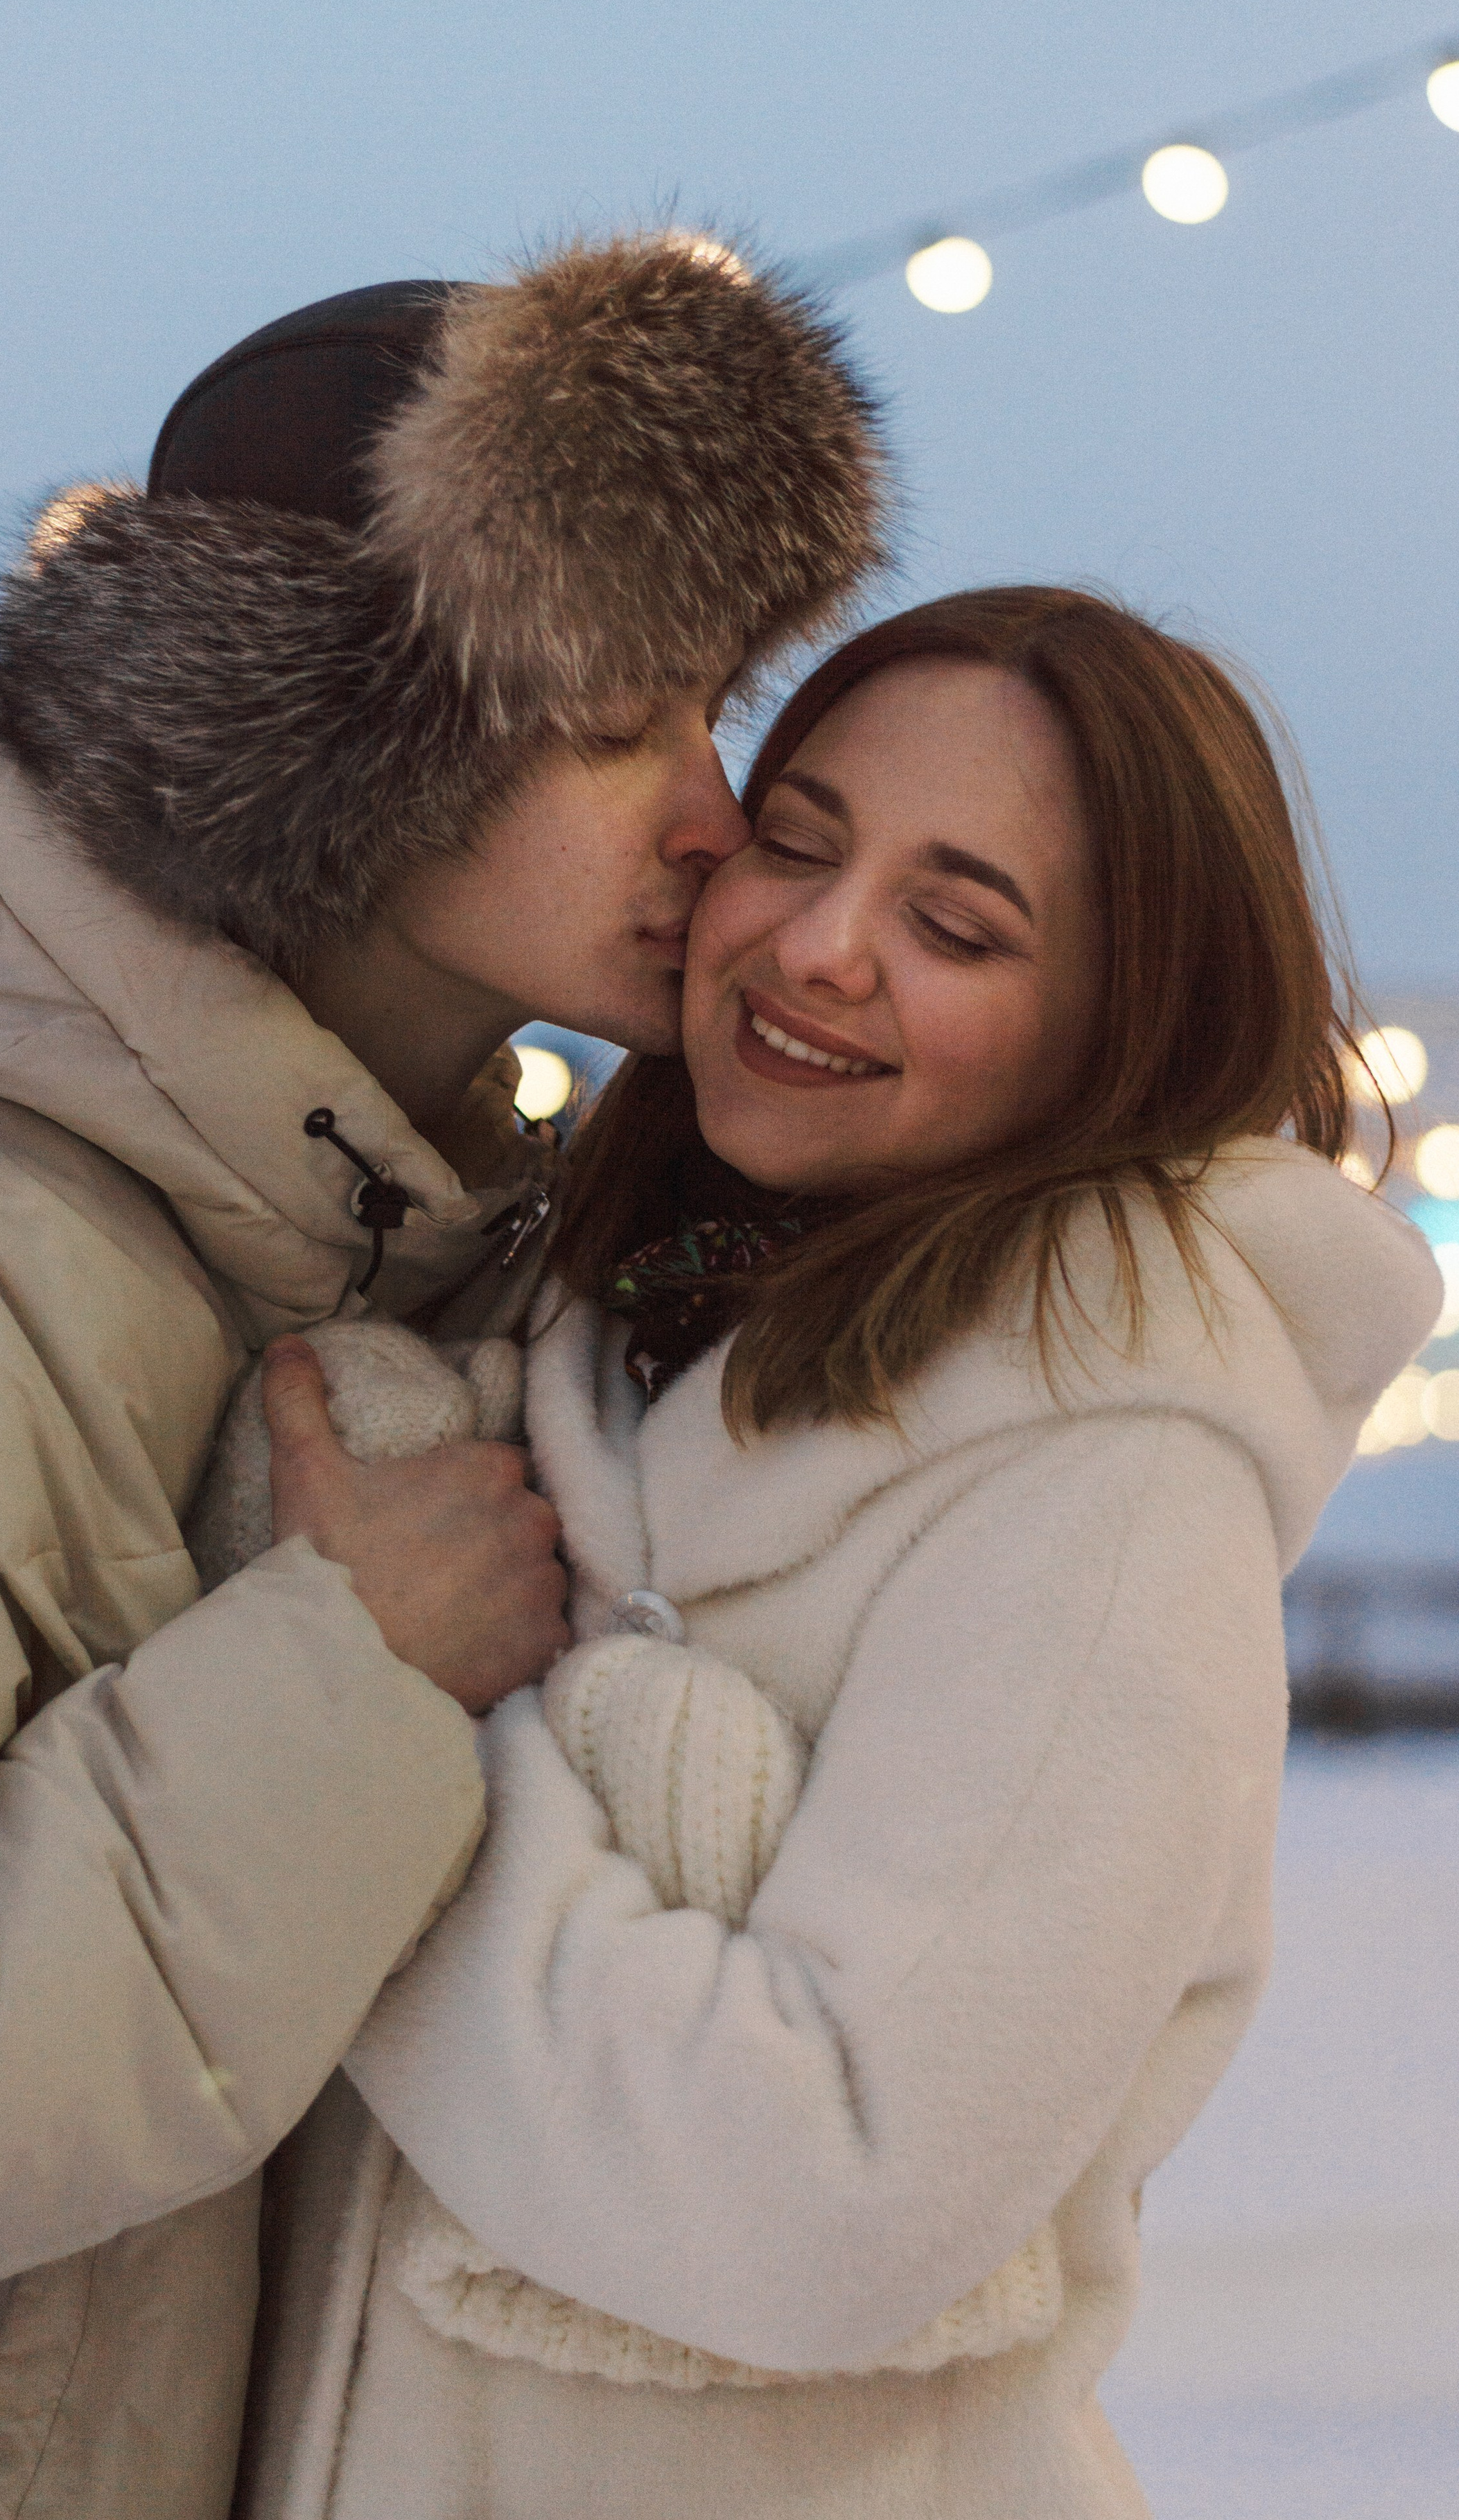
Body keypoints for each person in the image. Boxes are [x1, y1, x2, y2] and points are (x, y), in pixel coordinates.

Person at [0, 232, 883, 2519]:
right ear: (351, 745)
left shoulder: (392, 1229)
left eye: (714, 712)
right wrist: (342, 1680)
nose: (715, 812)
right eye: (622, 723)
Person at [245, 587, 1439, 2519]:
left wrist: (361, 1732)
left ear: (1112, 1025)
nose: (819, 945)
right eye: (796, 845)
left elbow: (820, 2197)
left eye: (956, 923)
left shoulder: (1109, 1490)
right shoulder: (584, 1320)